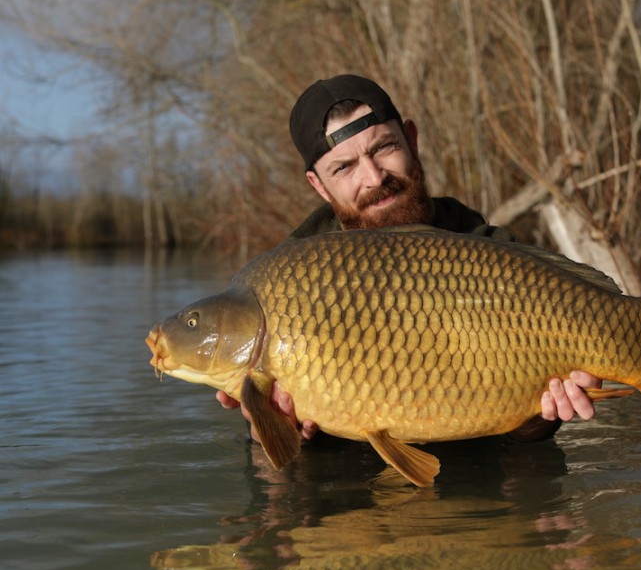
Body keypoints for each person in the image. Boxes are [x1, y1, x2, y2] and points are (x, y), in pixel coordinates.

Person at [216, 74, 602, 445]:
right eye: (344, 167)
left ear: (411, 140)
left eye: (384, 147)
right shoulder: (285, 281)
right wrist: (270, 428)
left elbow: (522, 441)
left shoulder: (490, 249)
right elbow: (274, 474)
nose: (373, 177)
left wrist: (537, 421)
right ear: (318, 185)